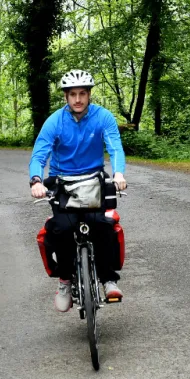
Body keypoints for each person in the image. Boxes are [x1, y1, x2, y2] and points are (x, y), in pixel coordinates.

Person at [29, 69, 128, 312]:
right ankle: (65, 281)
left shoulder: (103, 117)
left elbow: (115, 147)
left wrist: (118, 173)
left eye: (82, 93)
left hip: (94, 180)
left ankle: (108, 280)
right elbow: (40, 153)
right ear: (66, 96)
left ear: (89, 94)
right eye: (72, 94)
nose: (78, 99)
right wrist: (36, 181)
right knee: (61, 229)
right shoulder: (55, 121)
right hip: (63, 183)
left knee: (103, 225)